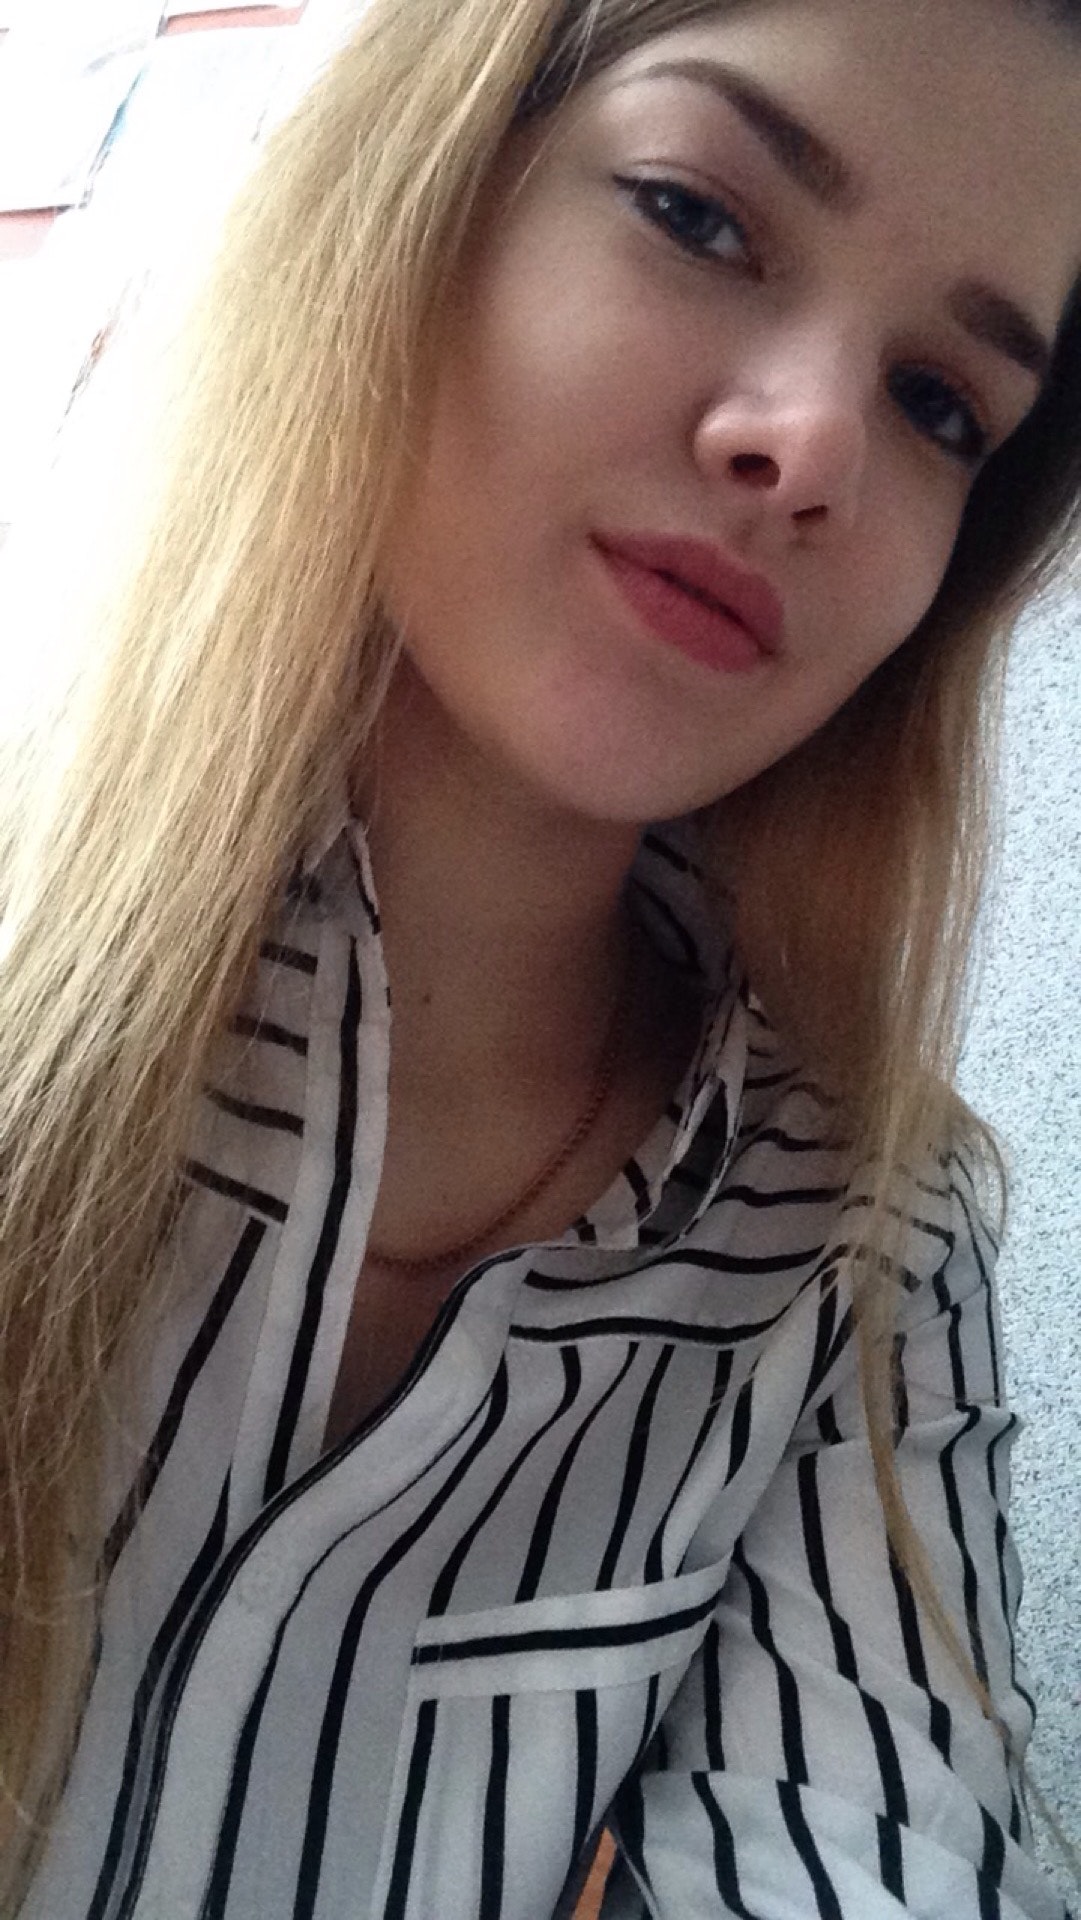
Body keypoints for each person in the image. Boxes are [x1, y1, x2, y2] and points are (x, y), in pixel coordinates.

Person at [0, 0, 1079, 1913]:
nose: (813, 443)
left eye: (938, 403)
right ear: (420, 193)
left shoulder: (861, 1245)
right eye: (697, 214)